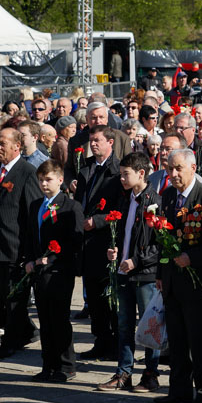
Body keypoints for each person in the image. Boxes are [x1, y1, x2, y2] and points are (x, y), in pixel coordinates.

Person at [154, 148, 202, 403]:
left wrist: (192, 257)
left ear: (193, 168)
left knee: (199, 338)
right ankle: (179, 389)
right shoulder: (168, 196)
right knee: (177, 339)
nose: (173, 174)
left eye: (178, 169)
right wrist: (160, 274)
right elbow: (163, 240)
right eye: (169, 168)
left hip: (198, 281)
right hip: (173, 279)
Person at [97, 152, 162, 392]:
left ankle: (150, 374)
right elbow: (125, 234)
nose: (122, 179)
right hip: (124, 272)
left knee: (150, 326)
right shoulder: (126, 200)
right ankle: (123, 372)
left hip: (144, 275)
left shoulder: (153, 201)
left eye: (126, 174)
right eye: (122, 174)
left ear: (141, 173)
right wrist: (115, 251)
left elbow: (158, 243)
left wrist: (136, 260)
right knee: (124, 324)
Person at [0, 128, 43, 356]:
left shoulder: (27, 172)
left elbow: (31, 213)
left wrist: (30, 252)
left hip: (15, 246)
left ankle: (11, 341)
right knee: (5, 294)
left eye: (2, 143)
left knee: (13, 297)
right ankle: (26, 331)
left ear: (17, 146)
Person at [23, 160, 84, 383]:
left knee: (59, 319)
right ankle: (48, 364)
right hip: (39, 270)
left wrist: (54, 257)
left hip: (60, 270)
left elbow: (76, 240)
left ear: (60, 180)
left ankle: (66, 365)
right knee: (45, 319)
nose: (44, 184)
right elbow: (31, 236)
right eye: (41, 180)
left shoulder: (70, 206)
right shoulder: (36, 205)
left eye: (48, 179)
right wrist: (29, 260)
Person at [72, 126, 122, 360]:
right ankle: (100, 340)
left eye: (98, 141)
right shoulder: (86, 168)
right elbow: (80, 200)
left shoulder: (118, 169)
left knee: (108, 296)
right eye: (91, 140)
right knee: (93, 297)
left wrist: (99, 221)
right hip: (87, 242)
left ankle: (114, 343)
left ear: (110, 142)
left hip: (106, 241)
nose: (93, 144)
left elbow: (121, 206)